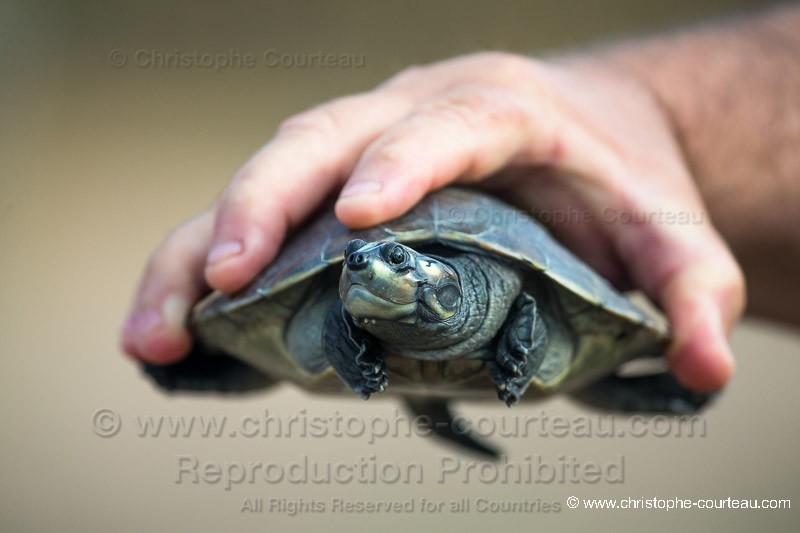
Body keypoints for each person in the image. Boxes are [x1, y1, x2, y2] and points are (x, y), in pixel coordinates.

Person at [121, 3, 799, 394]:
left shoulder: (494, 288)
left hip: (521, 312)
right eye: (358, 264)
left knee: (628, 383)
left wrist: (648, 105)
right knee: (207, 354)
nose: (362, 269)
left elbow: (526, 295)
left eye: (384, 263)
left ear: (443, 283)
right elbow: (344, 283)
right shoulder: (353, 282)